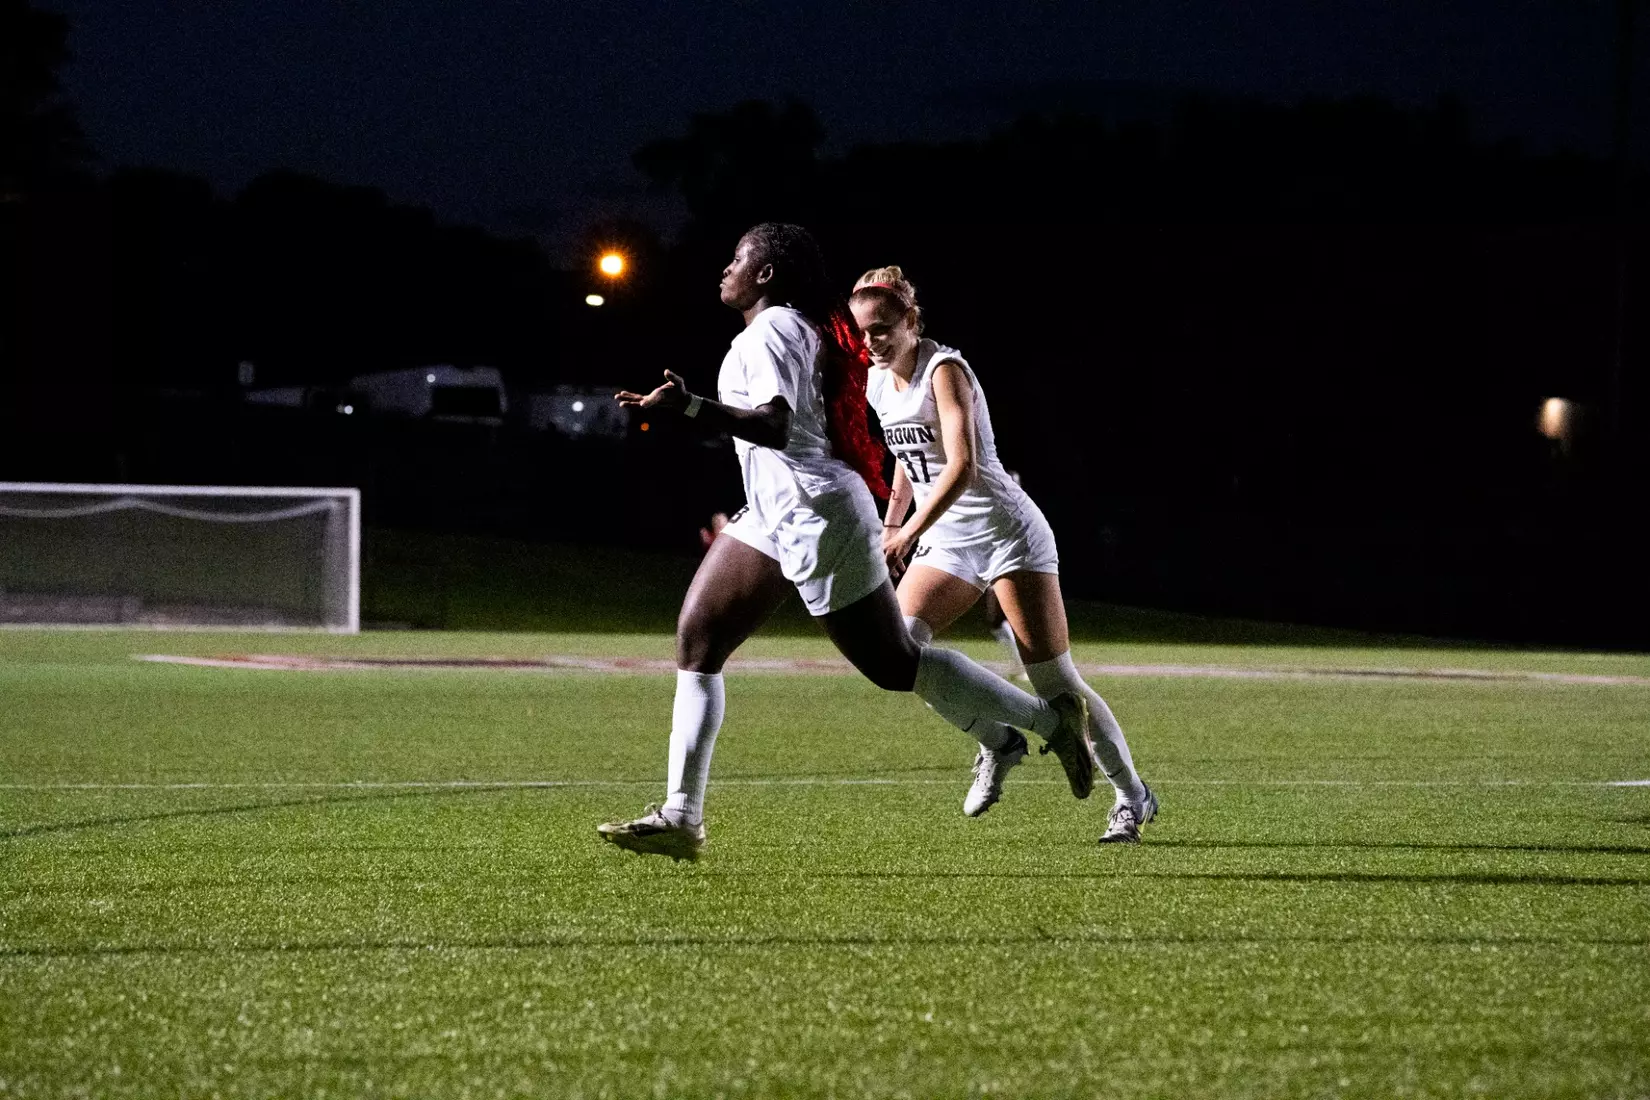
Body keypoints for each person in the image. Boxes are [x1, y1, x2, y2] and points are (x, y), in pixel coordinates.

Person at [599, 224, 1096, 861]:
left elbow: (775, 425)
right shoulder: (782, 329)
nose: (724, 270)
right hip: (775, 512)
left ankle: (1048, 721)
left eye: (736, 260)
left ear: (767, 274)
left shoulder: (774, 328)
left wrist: (691, 407)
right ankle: (681, 816)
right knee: (699, 637)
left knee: (894, 664)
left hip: (814, 512)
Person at [850, 266, 1157, 843]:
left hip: (1008, 534)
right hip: (949, 540)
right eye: (863, 331)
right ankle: (999, 740)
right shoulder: (876, 381)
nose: (872, 341)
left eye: (883, 328)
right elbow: (905, 457)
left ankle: (1132, 797)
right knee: (898, 654)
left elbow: (962, 467)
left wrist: (907, 532)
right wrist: (893, 523)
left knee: (1056, 682)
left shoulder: (945, 371)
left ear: (912, 321)